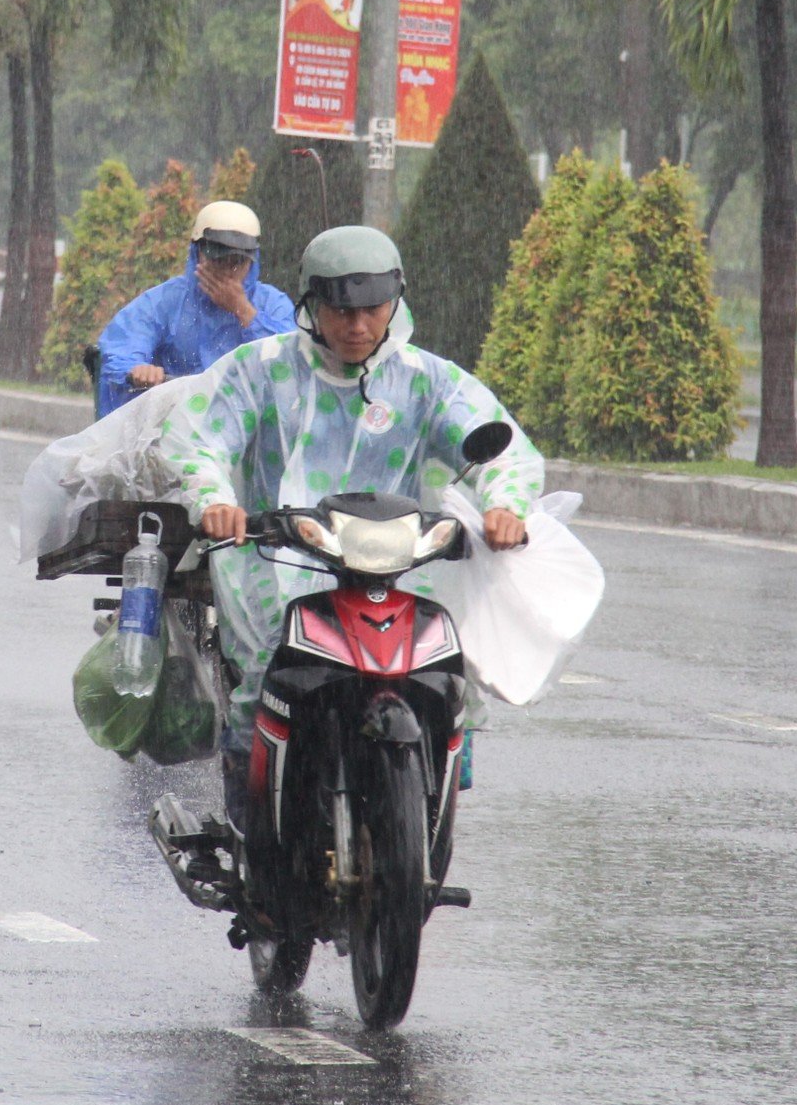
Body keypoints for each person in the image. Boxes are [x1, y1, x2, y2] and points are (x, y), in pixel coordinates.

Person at [156, 225, 542, 829]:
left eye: (372, 310)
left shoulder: (427, 379)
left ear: (395, 303)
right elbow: (198, 437)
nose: (357, 326)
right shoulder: (260, 370)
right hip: (273, 557)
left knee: (447, 671)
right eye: (341, 310)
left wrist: (505, 507)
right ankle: (248, 825)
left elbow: (501, 449)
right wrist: (215, 500)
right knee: (266, 670)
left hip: (395, 557)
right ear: (310, 304)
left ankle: (432, 800)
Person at [94, 201, 296, 417]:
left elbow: (289, 361)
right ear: (196, 253)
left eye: (236, 263)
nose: (226, 273)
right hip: (175, 424)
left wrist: (243, 311)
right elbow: (123, 344)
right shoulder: (166, 300)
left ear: (252, 263)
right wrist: (137, 370)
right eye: (217, 260)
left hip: (252, 426)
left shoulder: (273, 304)